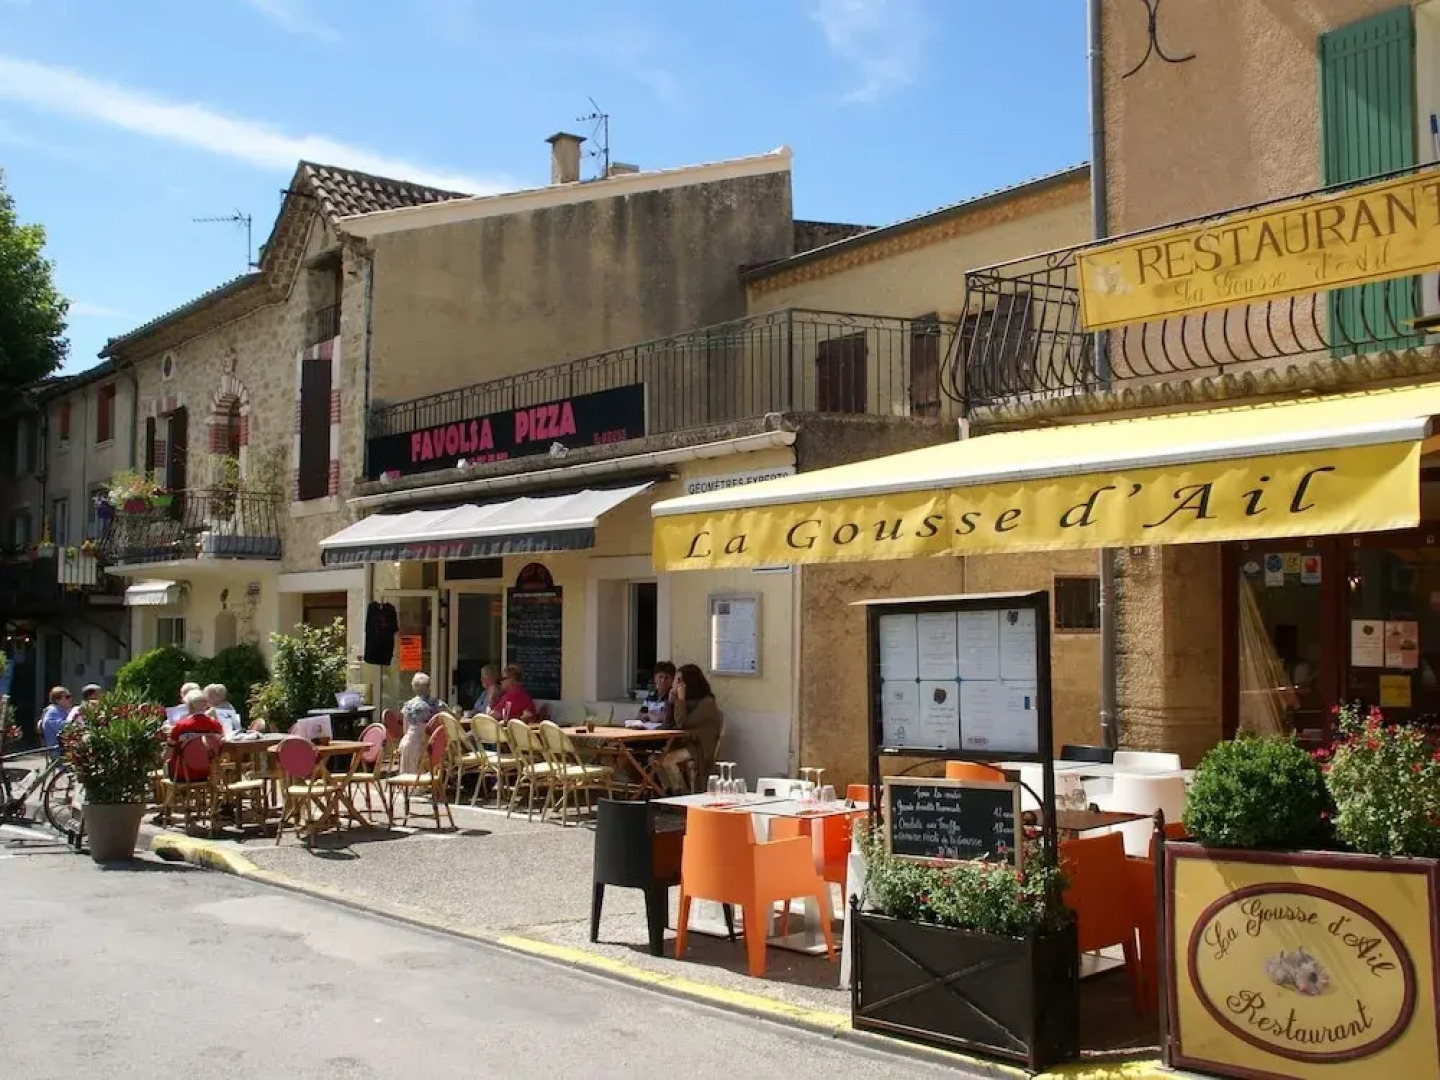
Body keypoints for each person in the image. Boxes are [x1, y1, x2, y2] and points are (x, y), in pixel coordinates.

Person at [657, 664, 724, 794]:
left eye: (678, 681)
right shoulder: (686, 702)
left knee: (667, 760)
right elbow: (669, 724)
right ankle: (666, 793)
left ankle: (681, 793)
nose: (674, 685)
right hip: (685, 742)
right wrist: (670, 704)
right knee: (655, 759)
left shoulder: (707, 703)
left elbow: (682, 724)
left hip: (699, 747)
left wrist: (679, 701)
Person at [167, 688, 225, 781]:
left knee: (167, 764)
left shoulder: (181, 726)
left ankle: (181, 795)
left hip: (183, 774)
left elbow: (168, 754)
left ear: (189, 706)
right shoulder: (216, 725)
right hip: (207, 773)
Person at [399, 673, 448, 774]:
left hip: (410, 745)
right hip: (432, 746)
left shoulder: (408, 705)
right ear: (429, 687)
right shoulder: (438, 704)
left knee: (406, 744)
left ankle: (412, 786)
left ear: (414, 688)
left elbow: (405, 730)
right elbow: (448, 722)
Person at [39, 686, 72, 759]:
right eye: (67, 697)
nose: (70, 699)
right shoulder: (53, 711)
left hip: (65, 747)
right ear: (57, 700)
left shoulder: (63, 710)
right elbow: (62, 729)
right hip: (58, 750)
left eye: (70, 696)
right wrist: (75, 721)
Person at [640, 661, 676, 726]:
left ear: (672, 679)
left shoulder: (673, 695)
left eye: (667, 678)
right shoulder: (650, 696)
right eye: (660, 677)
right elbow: (639, 716)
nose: (663, 681)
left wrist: (648, 715)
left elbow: (661, 718)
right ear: (655, 678)